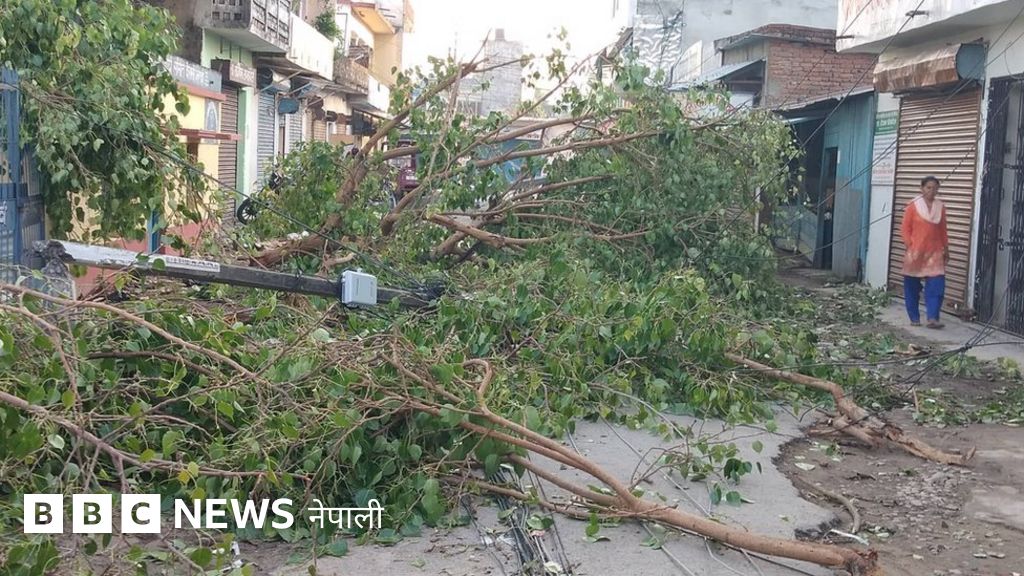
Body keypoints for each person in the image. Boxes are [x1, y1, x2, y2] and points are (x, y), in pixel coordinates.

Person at [900, 176, 949, 329]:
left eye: (935, 188)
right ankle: (914, 317)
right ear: (921, 188)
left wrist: (946, 249)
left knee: (937, 285)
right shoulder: (913, 205)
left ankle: (932, 318)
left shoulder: (940, 207)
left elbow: (943, 230)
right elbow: (905, 228)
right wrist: (910, 245)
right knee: (912, 286)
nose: (931, 191)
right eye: (928, 187)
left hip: (934, 253)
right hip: (915, 252)